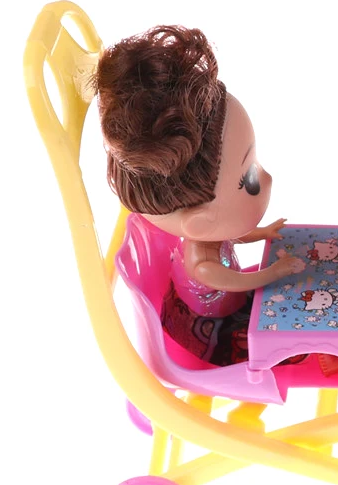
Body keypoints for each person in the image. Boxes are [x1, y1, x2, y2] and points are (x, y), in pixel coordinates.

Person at [95, 26, 304, 364]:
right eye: (249, 179)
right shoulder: (203, 266)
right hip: (213, 329)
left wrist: (263, 233)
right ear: (200, 223)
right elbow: (237, 280)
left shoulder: (210, 233)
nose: (265, 177)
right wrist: (274, 273)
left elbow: (229, 235)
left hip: (231, 305)